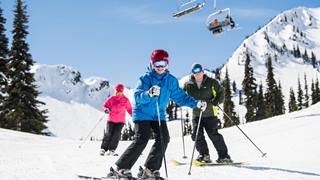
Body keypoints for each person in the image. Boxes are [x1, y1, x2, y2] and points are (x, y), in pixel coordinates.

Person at [107, 49, 207, 179]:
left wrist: (196, 103)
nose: (160, 67)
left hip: (158, 114)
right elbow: (137, 97)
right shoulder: (145, 78)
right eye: (157, 64)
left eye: (163, 63)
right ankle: (121, 168)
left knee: (164, 138)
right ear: (152, 64)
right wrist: (148, 93)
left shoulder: (171, 81)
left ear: (167, 64)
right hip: (142, 113)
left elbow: (180, 97)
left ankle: (150, 169)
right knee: (142, 138)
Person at [183, 63, 232, 163]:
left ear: (202, 71)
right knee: (197, 135)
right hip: (197, 114)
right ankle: (204, 155)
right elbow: (181, 95)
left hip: (210, 113)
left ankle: (224, 156)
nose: (197, 73)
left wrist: (217, 100)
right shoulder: (189, 85)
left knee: (213, 135)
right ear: (192, 73)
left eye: (199, 70)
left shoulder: (211, 82)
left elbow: (221, 91)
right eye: (194, 71)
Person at [100, 83, 132, 156]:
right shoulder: (112, 99)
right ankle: (103, 149)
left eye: (120, 91)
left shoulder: (125, 100)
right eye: (117, 91)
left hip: (120, 121)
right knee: (108, 134)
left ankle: (112, 150)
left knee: (116, 135)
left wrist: (134, 116)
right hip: (111, 120)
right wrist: (106, 109)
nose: (118, 92)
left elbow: (129, 109)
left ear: (122, 91)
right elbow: (105, 105)